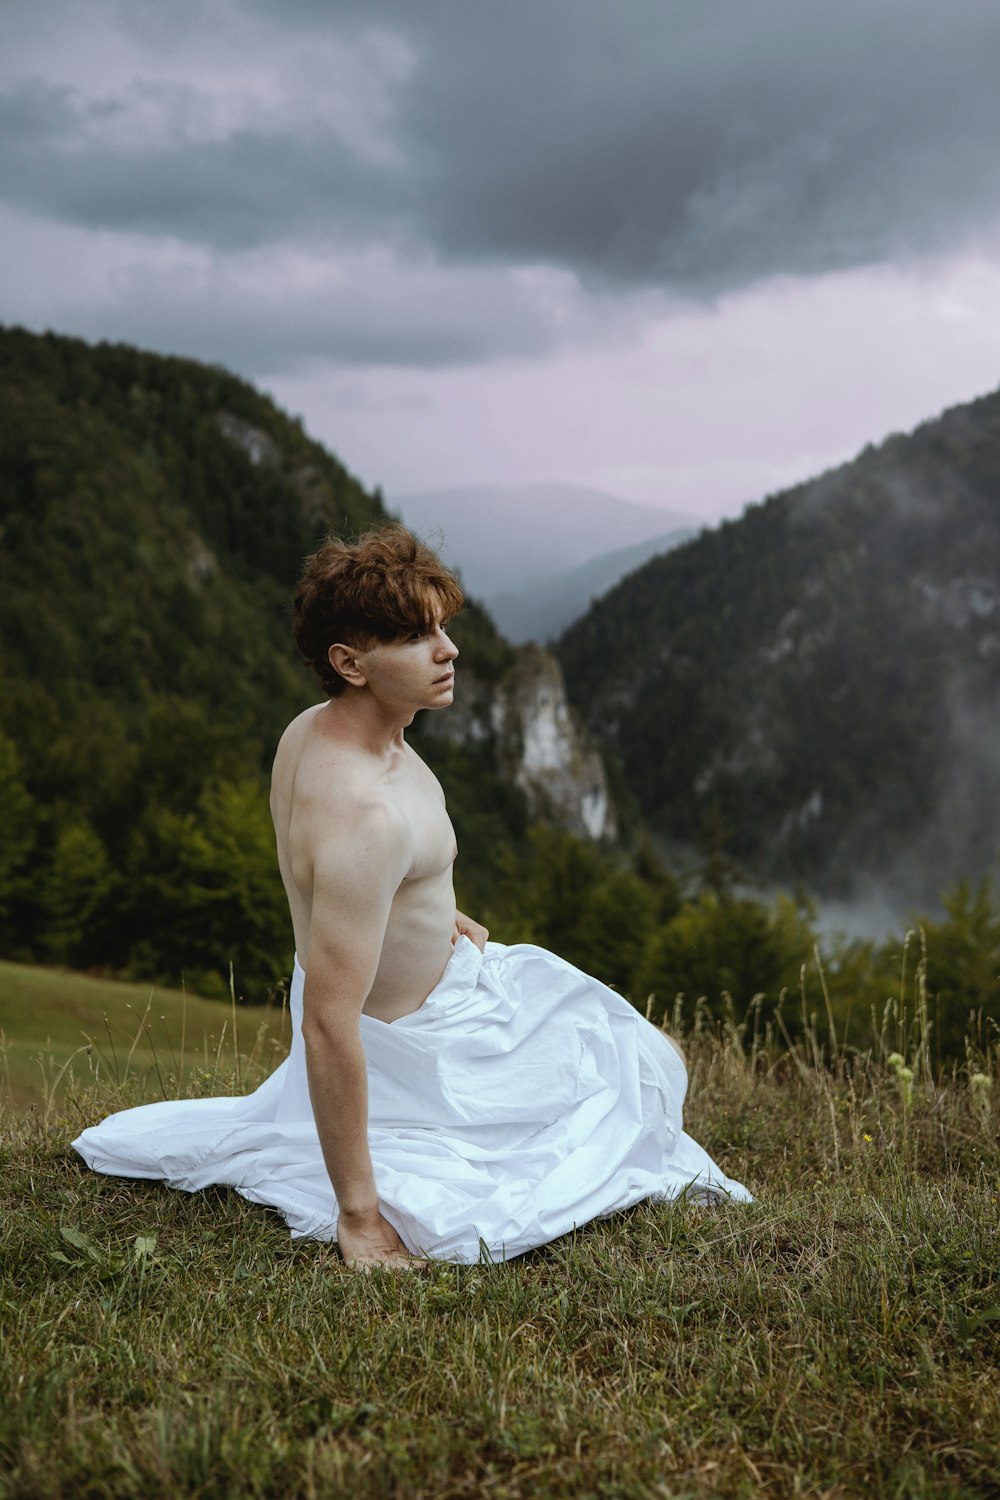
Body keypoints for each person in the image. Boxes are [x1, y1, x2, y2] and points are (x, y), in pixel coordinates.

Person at [74, 525, 750, 1266]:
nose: (448, 649)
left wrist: (433, 915)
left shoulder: (315, 732)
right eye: (413, 635)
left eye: (442, 626)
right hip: (430, 1049)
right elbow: (329, 1022)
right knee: (646, 1075)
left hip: (447, 984)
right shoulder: (366, 815)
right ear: (350, 662)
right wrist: (360, 1215)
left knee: (644, 1054)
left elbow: (339, 888)